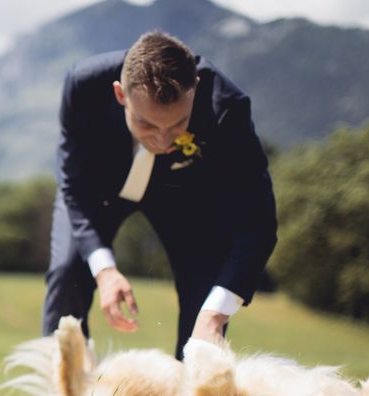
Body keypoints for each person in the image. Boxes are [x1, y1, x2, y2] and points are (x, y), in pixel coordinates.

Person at [42, 31, 277, 359]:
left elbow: (258, 221)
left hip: (185, 199)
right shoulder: (82, 85)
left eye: (178, 125)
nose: (163, 141)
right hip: (98, 191)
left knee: (203, 297)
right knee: (68, 271)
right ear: (120, 94)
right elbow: (74, 186)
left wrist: (216, 314)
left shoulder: (228, 107)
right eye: (147, 125)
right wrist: (106, 271)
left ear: (194, 87)